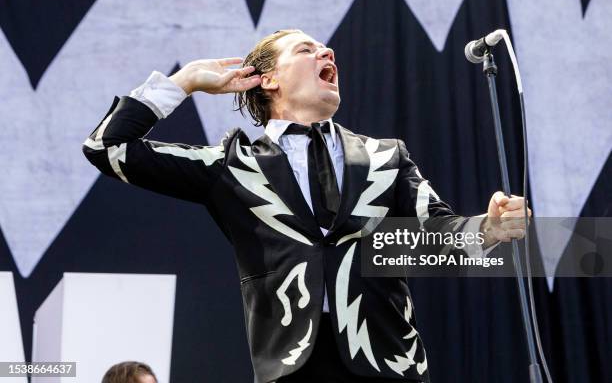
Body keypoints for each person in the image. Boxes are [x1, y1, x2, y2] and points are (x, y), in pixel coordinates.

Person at [83, 29, 530, 383]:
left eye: (326, 49)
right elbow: (107, 146)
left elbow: (439, 236)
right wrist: (185, 82)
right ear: (270, 79)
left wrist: (488, 228)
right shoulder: (231, 164)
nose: (327, 52)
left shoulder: (385, 156)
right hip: (290, 367)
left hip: (388, 363)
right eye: (306, 49)